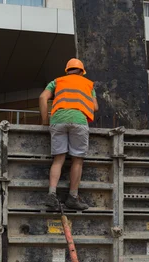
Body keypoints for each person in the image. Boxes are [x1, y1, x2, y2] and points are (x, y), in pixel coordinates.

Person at [39, 58, 99, 212]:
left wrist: (45, 120)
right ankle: (72, 197)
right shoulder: (88, 84)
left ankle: (52, 194)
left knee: (58, 159)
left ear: (67, 70)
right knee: (77, 160)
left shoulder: (57, 81)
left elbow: (42, 97)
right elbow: (95, 107)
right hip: (78, 120)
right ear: (81, 71)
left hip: (58, 120)